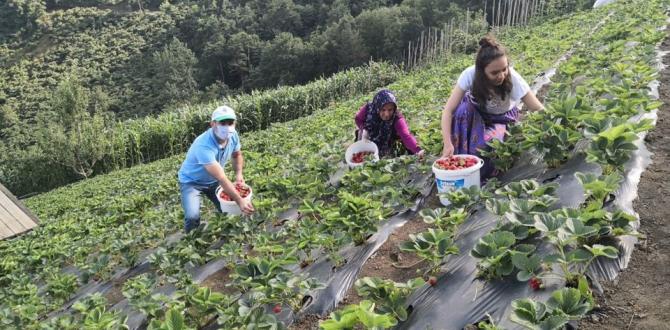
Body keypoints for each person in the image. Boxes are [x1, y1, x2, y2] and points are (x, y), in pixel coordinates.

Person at [440, 35, 544, 178]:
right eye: (494, 72)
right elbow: (448, 111)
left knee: (488, 146)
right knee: (462, 110)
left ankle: (483, 175)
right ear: (481, 71)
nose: (501, 76)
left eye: (504, 69)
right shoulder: (470, 75)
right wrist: (447, 143)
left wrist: (556, 125)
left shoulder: (514, 79)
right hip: (476, 112)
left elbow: (537, 108)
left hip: (501, 118)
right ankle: (459, 155)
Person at [178, 105, 254, 232]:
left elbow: (236, 155)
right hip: (192, 182)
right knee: (192, 216)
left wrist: (239, 174)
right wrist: (240, 200)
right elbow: (221, 178)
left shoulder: (233, 135)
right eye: (222, 123)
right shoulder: (203, 145)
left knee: (229, 211)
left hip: (213, 181)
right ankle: (191, 240)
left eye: (230, 123)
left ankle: (233, 233)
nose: (227, 127)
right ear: (213, 124)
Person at [355, 89, 425, 159]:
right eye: (383, 110)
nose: (387, 114)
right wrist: (364, 129)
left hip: (385, 138)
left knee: (381, 157)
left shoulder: (397, 118)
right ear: (377, 107)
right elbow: (358, 119)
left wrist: (418, 150)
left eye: (390, 110)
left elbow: (406, 136)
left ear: (394, 109)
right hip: (367, 134)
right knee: (361, 153)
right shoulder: (368, 109)